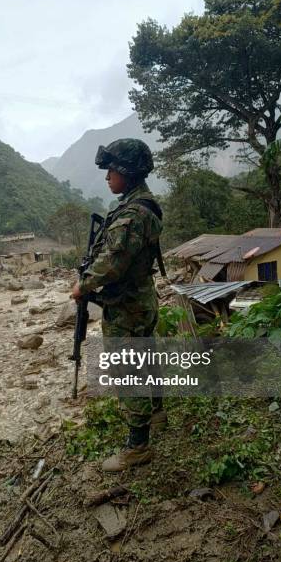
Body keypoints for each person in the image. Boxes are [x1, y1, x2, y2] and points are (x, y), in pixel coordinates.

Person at [71, 138, 167, 472]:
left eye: (112, 170)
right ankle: (156, 412)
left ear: (127, 171)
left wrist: (82, 286)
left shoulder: (134, 213)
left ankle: (137, 447)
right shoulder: (138, 204)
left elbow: (113, 263)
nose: (108, 176)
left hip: (127, 305)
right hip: (139, 299)